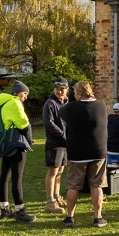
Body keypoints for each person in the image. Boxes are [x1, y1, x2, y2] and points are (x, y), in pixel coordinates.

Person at [58, 81, 109, 228]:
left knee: (73, 185)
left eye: (74, 92)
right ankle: (97, 217)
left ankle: (70, 217)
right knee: (97, 185)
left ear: (79, 93)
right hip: (98, 151)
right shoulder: (101, 105)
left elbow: (62, 113)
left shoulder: (71, 107)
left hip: (77, 152)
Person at [0, 81, 36, 222]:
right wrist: (29, 141)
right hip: (15, 143)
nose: (25, 97)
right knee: (17, 178)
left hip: (4, 143)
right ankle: (20, 211)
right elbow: (24, 124)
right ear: (17, 92)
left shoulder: (2, 102)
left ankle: (5, 209)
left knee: (5, 176)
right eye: (24, 93)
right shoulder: (15, 103)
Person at [43, 78, 69, 214]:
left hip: (65, 143)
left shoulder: (67, 102)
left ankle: (57, 196)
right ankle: (50, 201)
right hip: (54, 143)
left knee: (60, 172)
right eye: (57, 89)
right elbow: (49, 123)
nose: (59, 92)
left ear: (67, 90)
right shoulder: (50, 103)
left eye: (62, 89)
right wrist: (63, 135)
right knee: (53, 172)